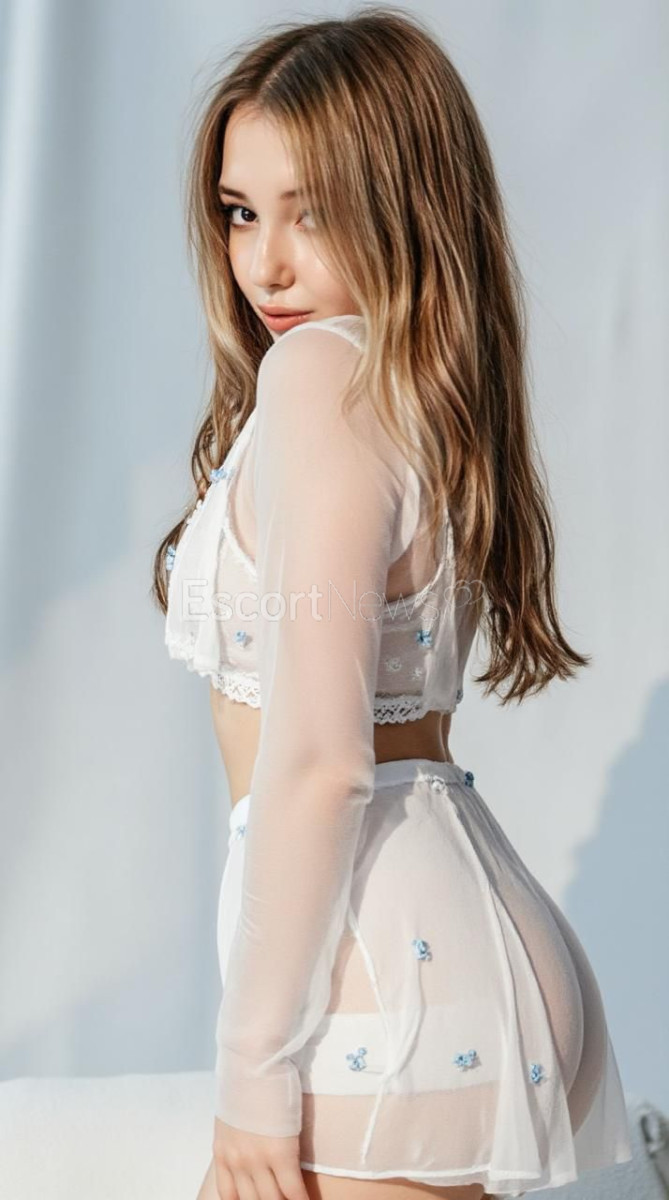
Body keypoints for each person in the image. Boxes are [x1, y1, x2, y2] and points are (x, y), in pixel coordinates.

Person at [152, 9, 633, 1200]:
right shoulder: (408, 388)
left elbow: (320, 762)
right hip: (438, 951)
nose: (265, 263)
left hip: (385, 1003)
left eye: (311, 211)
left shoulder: (320, 378)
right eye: (240, 211)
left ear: (403, 205)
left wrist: (252, 1074)